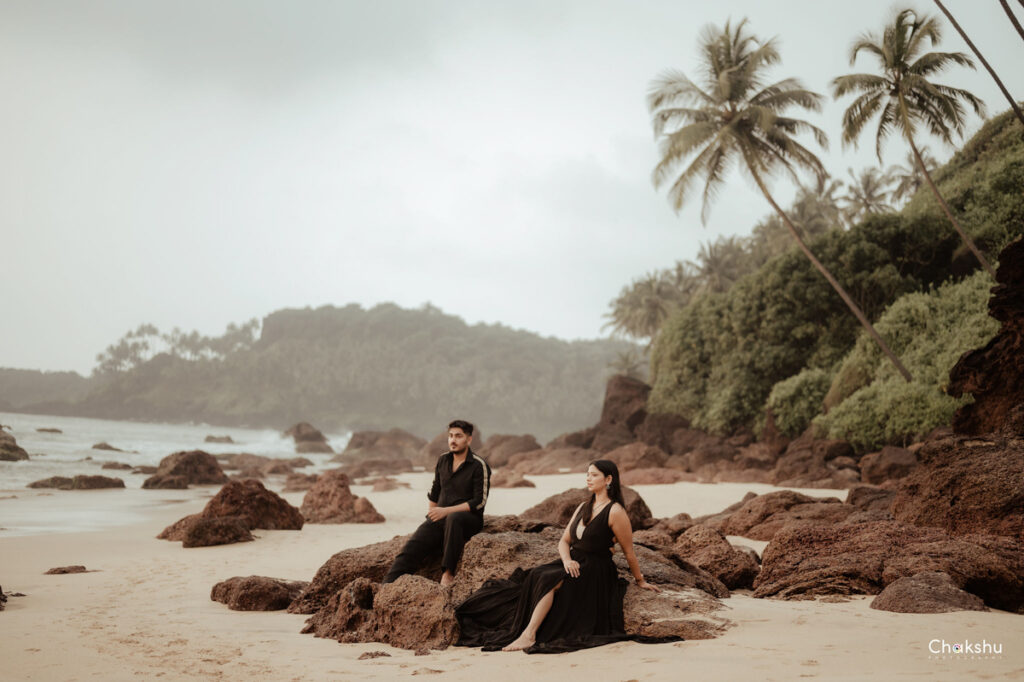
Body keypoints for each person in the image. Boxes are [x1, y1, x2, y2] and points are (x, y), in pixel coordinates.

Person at [455, 459, 662, 654]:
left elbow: (628, 552)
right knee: (536, 573)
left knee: (549, 579)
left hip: (596, 569)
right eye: (587, 474)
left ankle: (529, 635)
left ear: (608, 480)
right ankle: (525, 627)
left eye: (594, 475)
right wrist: (567, 560)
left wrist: (640, 581)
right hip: (574, 560)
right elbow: (564, 541)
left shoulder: (616, 511)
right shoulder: (583, 507)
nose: (588, 478)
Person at [383, 419, 491, 587]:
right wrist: (431, 515)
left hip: (468, 520)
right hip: (441, 518)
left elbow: (479, 501)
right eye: (450, 436)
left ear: (469, 439)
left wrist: (446, 511)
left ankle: (448, 574)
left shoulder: (479, 465)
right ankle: (387, 586)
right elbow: (435, 490)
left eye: (458, 436)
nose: (453, 440)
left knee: (454, 518)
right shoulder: (443, 460)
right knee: (410, 549)